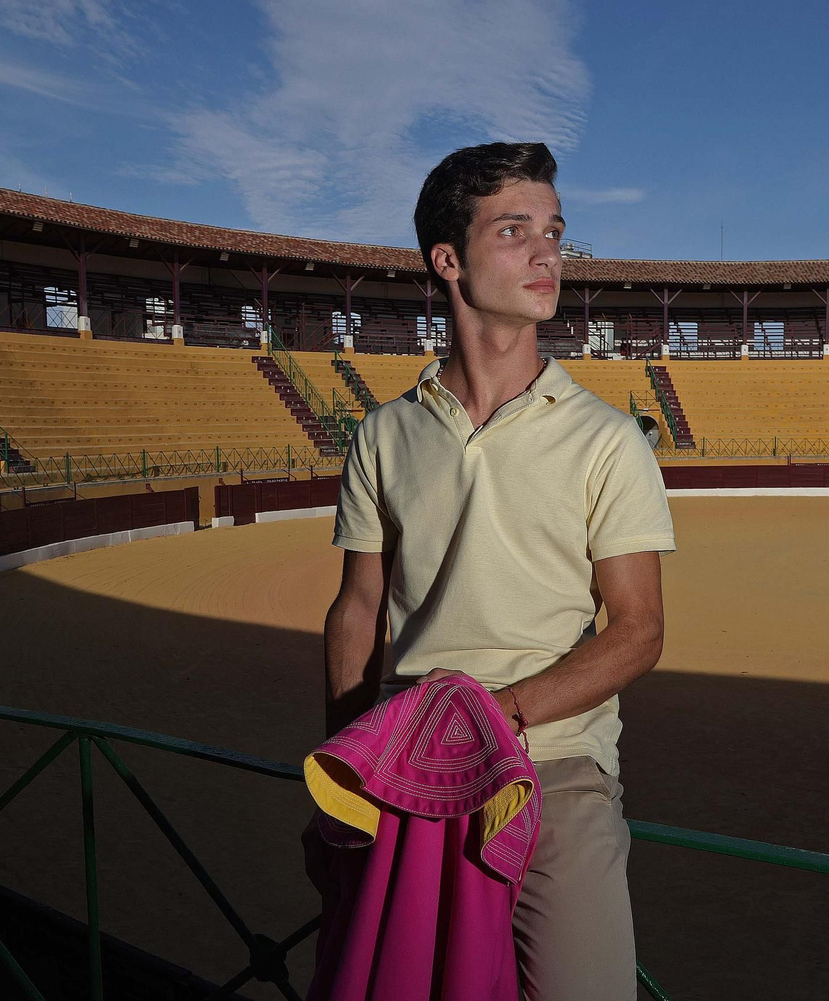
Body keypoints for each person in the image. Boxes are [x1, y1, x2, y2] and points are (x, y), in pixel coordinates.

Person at [322, 141, 675, 1000]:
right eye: (514, 231)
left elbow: (638, 630)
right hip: (404, 772)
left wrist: (494, 718)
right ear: (448, 260)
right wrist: (341, 767)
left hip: (553, 765)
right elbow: (358, 609)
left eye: (554, 231)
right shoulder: (383, 434)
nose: (547, 253)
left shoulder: (608, 440)